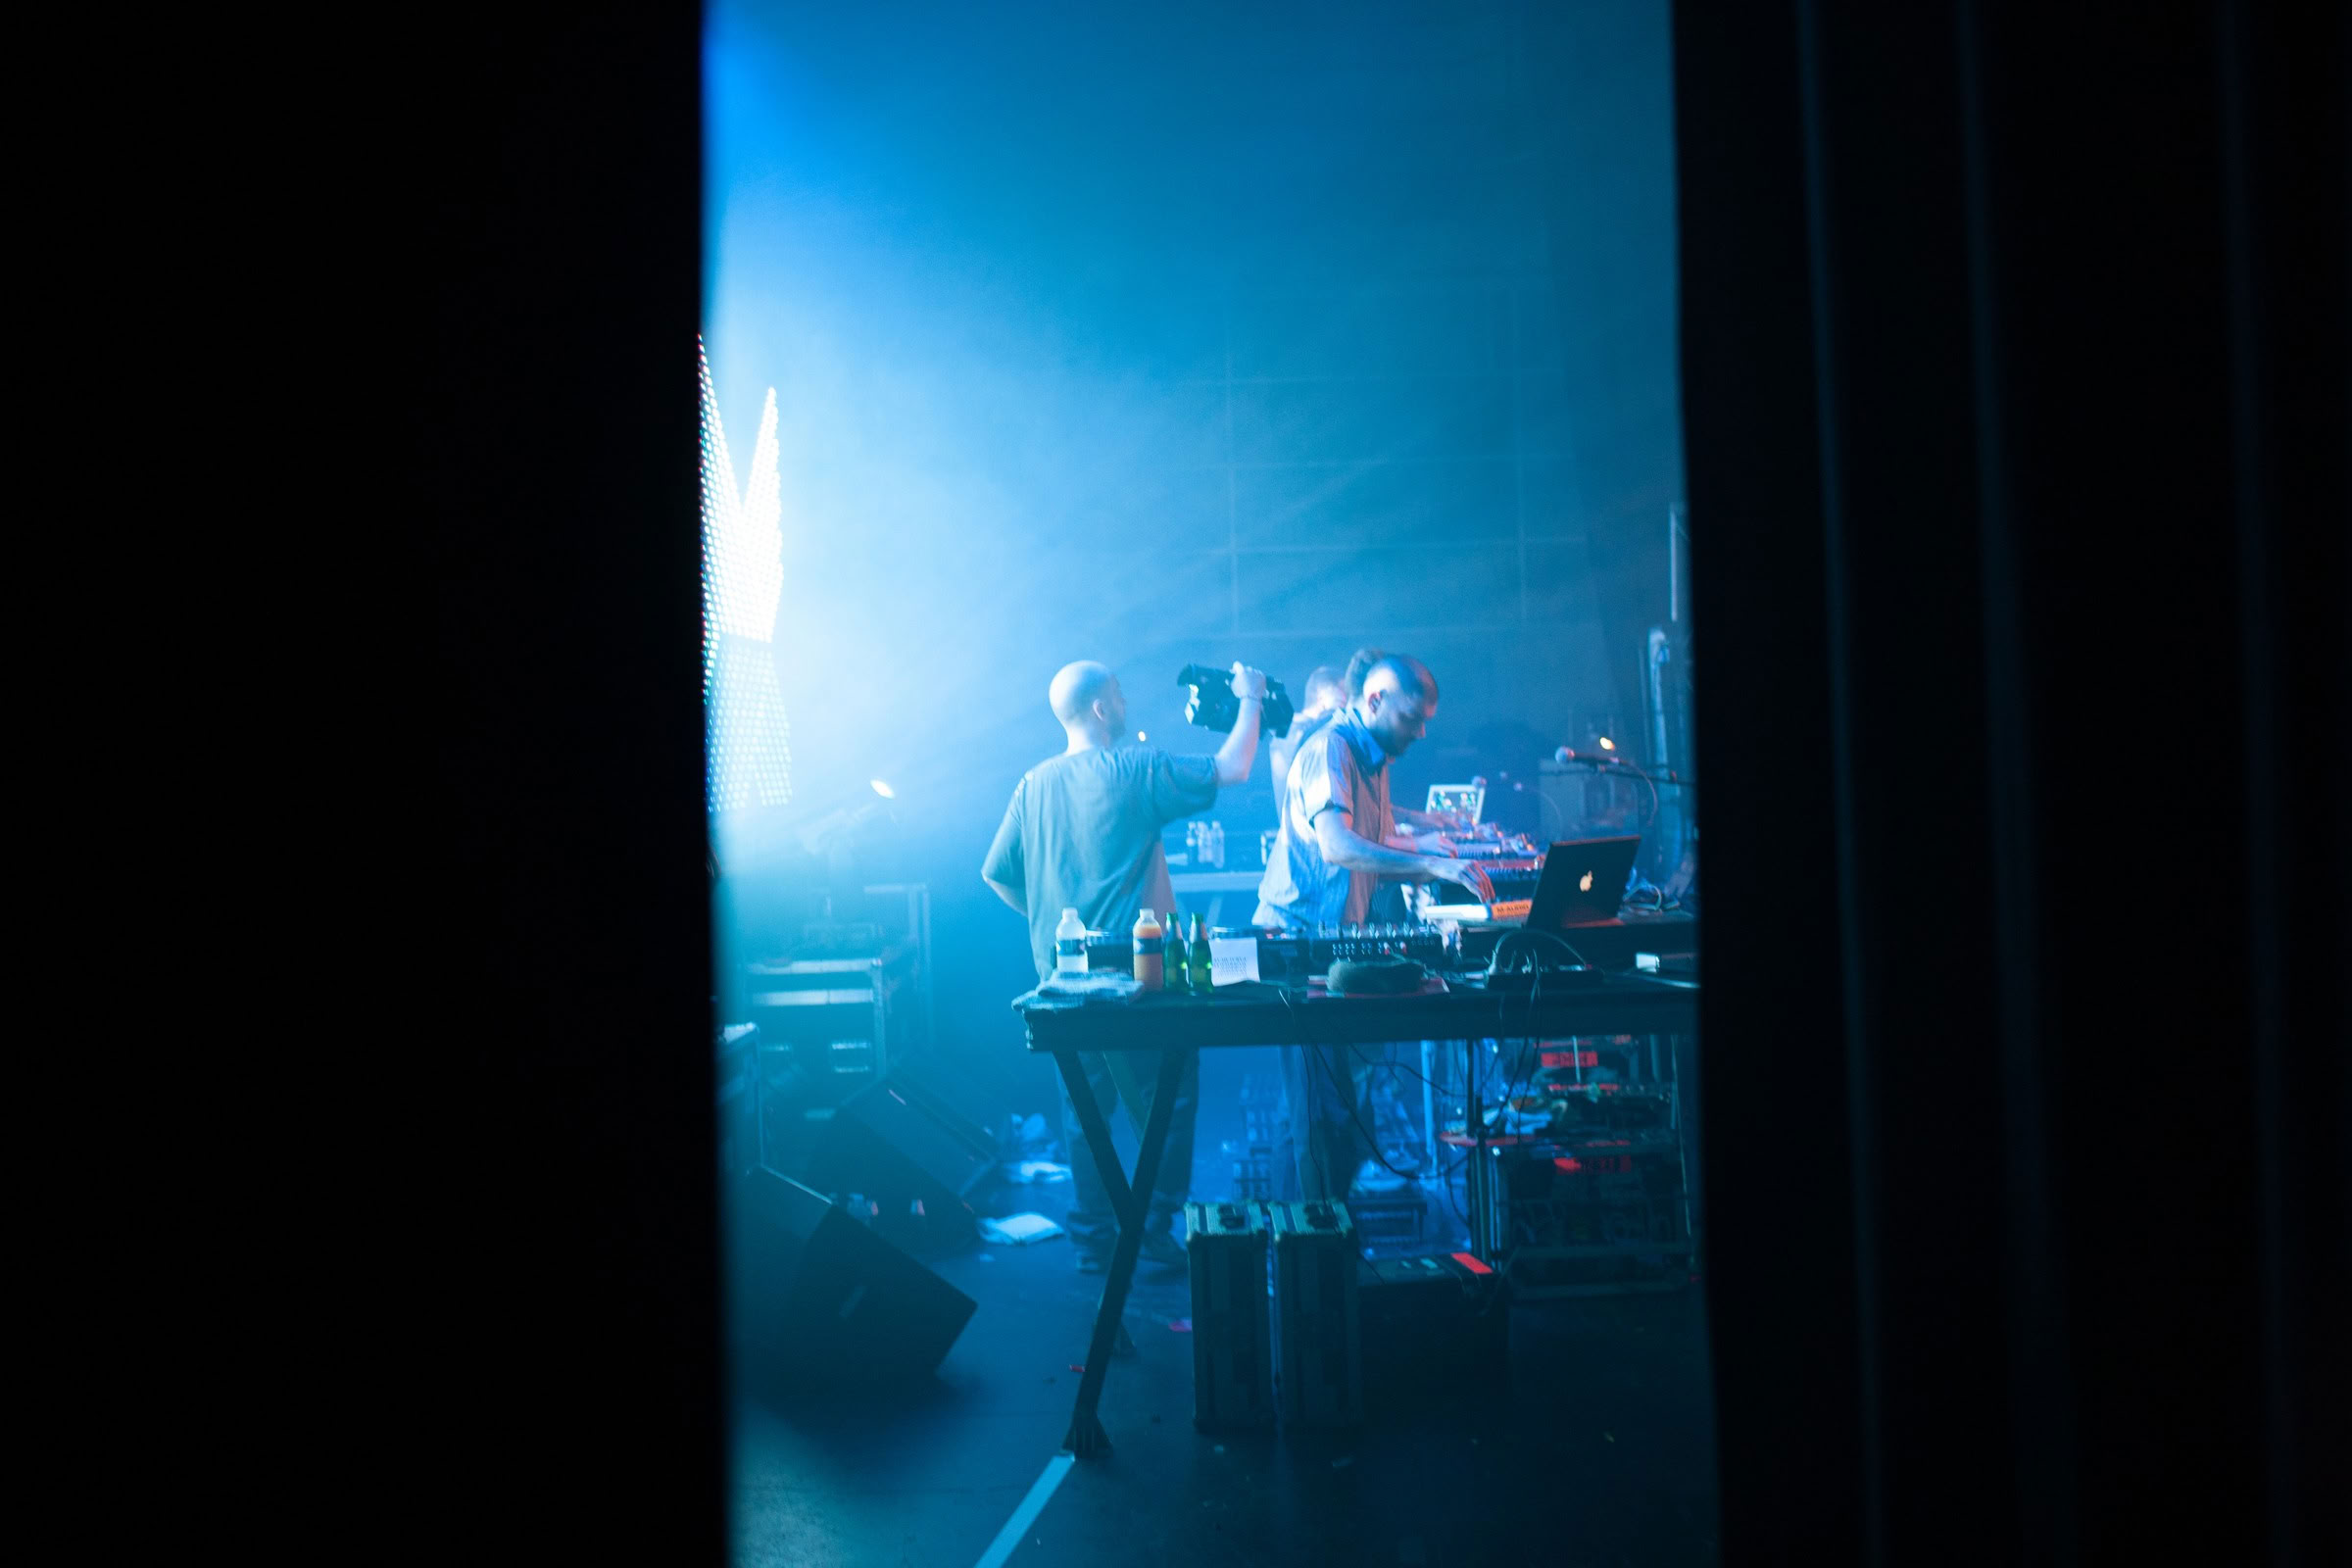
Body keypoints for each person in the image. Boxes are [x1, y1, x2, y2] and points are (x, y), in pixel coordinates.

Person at [983, 659, 1268, 1272]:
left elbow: (998, 874)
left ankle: (1094, 1241)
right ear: (1100, 708)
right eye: (1118, 694)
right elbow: (1235, 767)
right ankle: (1154, 1230)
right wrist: (1251, 699)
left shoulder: (1033, 784)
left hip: (1064, 983)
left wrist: (1050, 918)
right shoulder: (1135, 768)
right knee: (1170, 1100)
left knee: (1086, 1116)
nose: (1126, 702)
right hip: (1139, 979)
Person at [1253, 655, 1493, 1200]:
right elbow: (1339, 847)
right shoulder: (1330, 748)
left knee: (1335, 1117)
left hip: (1331, 948)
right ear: (1376, 700)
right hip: (1297, 947)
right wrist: (1431, 863)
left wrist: (1437, 856)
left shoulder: (1374, 757)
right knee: (1317, 1118)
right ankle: (1305, 1239)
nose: (1420, 732)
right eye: (1411, 718)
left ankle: (1322, 1233)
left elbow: (1377, 848)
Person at [1268, 664, 1347, 831]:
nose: (1345, 709)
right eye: (1341, 701)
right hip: (1308, 834)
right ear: (1321, 696)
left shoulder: (1295, 730)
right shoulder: (1293, 731)